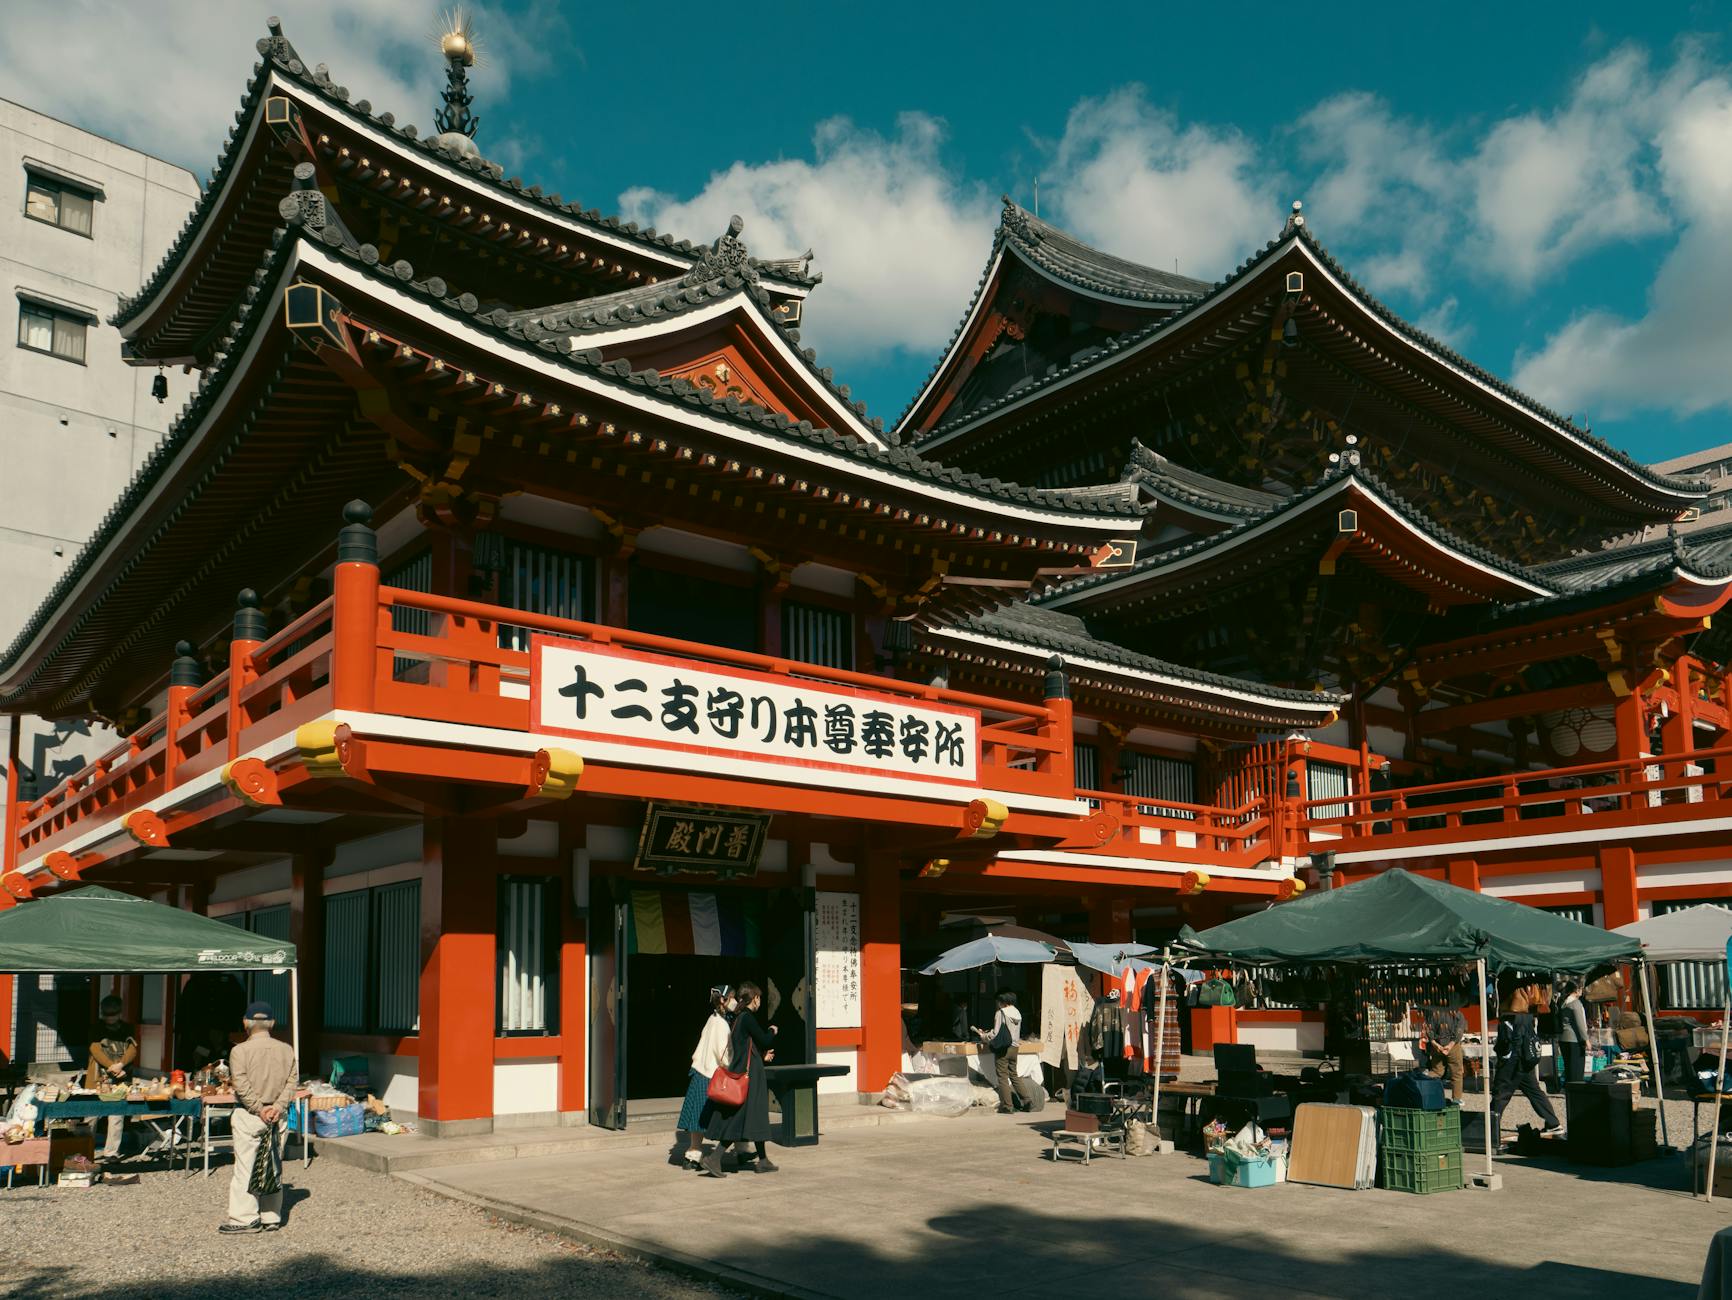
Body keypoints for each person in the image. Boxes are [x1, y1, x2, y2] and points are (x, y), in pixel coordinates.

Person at [221, 1001, 296, 1235]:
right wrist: (278, 1106)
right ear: (272, 1023)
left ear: (246, 1023)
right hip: (277, 1113)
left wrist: (258, 1108)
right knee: (273, 1163)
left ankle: (245, 1218)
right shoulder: (287, 1049)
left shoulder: (239, 1051)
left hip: (250, 1114)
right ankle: (271, 1216)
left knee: (246, 1165)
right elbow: (292, 1081)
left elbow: (241, 1084)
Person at [701, 981, 777, 1177]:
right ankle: (714, 1158)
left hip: (745, 1073)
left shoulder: (738, 1018)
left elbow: (747, 1046)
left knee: (755, 1116)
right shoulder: (747, 1018)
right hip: (749, 1077)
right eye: (759, 997)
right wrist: (772, 1031)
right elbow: (764, 1040)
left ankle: (763, 1160)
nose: (760, 1001)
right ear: (755, 998)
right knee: (740, 1119)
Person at [1490, 989, 1560, 1143]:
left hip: (1512, 1063)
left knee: (1500, 1094)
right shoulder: (1528, 1017)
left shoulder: (1507, 1020)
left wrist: (1500, 1055)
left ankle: (1490, 1129)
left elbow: (1505, 1044)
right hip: (1526, 1061)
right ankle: (1553, 1122)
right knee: (1534, 1092)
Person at [676, 985, 734, 1170]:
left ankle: (692, 1155)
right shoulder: (721, 1024)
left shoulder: (712, 1019)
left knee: (697, 1118)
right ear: (724, 1000)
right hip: (711, 1074)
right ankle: (741, 1149)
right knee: (717, 1116)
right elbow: (723, 1054)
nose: (734, 1001)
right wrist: (734, 1065)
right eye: (732, 997)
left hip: (700, 1071)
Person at [87, 995, 138, 1161]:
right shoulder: (95, 1028)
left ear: (120, 1013)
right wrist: (112, 1066)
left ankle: (111, 1152)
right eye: (107, 1014)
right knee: (91, 1115)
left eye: (114, 1014)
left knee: (116, 1115)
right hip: (98, 1075)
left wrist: (121, 1065)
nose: (110, 1018)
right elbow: (95, 1050)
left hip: (120, 1075)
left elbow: (132, 1049)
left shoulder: (128, 1028)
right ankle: (86, 1149)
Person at [974, 991, 1023, 1115]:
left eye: (998, 1002)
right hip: (1015, 1047)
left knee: (1002, 1077)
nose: (997, 1004)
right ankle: (1027, 1100)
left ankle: (1007, 1105)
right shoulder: (1017, 1012)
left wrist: (983, 1036)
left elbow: (995, 1034)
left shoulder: (1001, 1013)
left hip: (1003, 1048)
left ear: (1002, 1002)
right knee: (1014, 1075)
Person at [1421, 1006, 1467, 1102]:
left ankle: (1424, 1087)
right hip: (1453, 1046)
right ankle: (1456, 1098)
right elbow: (1459, 1030)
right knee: (1456, 1073)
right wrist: (1450, 1045)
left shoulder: (1433, 1013)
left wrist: (1436, 1045)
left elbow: (1429, 1031)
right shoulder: (1457, 1013)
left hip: (1437, 1045)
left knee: (1437, 1072)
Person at [1556, 981, 1590, 1084]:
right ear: (1576, 990)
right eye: (1580, 989)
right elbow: (1580, 1023)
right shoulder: (1576, 1003)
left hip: (1563, 1038)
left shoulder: (1563, 1002)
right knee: (1576, 1068)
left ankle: (1569, 1089)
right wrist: (1586, 1039)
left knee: (1568, 1067)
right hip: (1574, 1039)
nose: (1582, 991)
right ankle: (1576, 1090)